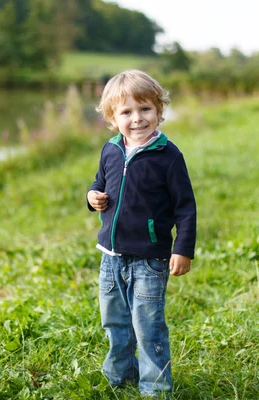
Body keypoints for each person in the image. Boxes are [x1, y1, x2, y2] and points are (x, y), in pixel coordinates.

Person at [87, 69, 196, 397]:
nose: (137, 118)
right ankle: (119, 376)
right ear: (112, 118)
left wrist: (183, 248)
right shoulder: (110, 150)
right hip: (110, 257)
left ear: (159, 110)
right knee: (115, 323)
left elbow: (186, 208)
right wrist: (93, 198)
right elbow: (98, 183)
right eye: (126, 112)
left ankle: (156, 388)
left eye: (145, 109)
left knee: (148, 327)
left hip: (150, 259)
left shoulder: (168, 156)